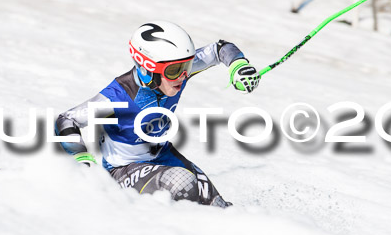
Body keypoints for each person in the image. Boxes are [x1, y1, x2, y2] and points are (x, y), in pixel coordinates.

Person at [55, 21, 261, 207]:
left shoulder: (175, 72)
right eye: (174, 71)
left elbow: (219, 49)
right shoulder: (118, 96)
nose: (182, 77)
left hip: (164, 156)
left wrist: (238, 65)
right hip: (123, 170)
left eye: (187, 66)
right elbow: (67, 119)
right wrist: (82, 160)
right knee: (182, 182)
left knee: (219, 207)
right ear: (147, 70)